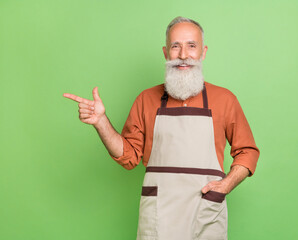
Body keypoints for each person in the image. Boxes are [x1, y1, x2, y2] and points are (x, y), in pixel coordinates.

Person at [64, 16, 259, 240]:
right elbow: (128, 157)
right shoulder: (146, 99)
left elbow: (248, 152)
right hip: (158, 216)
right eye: (176, 46)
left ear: (203, 52)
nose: (183, 55)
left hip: (206, 211)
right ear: (166, 53)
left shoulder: (225, 100)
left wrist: (226, 185)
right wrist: (101, 122)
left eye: (191, 46)